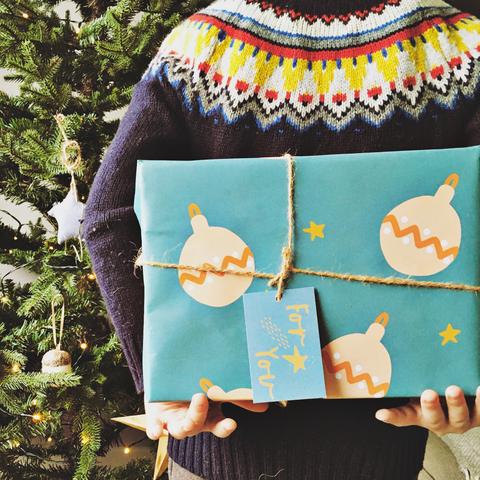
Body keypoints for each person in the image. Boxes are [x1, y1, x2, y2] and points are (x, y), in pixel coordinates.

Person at [83, 0, 480, 478]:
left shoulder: (202, 47)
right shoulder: (459, 47)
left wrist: (162, 380)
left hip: (216, 443)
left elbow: (107, 217)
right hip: (380, 447)